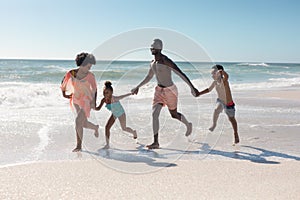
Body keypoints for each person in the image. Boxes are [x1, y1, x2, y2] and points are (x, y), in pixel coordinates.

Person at [131, 39, 199, 149]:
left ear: (158, 49)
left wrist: (192, 87)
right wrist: (137, 87)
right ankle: (156, 142)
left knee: (174, 114)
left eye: (153, 48)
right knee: (154, 114)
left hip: (170, 90)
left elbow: (180, 73)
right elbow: (149, 77)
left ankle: (188, 124)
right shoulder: (152, 63)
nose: (151, 49)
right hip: (159, 90)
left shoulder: (166, 61)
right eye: (151, 48)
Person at [61, 52, 99, 152]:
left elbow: (95, 90)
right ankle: (95, 127)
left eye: (90, 67)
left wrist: (93, 103)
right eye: (88, 66)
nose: (89, 69)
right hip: (76, 99)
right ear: (82, 64)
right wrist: (64, 94)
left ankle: (79, 146)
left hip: (87, 100)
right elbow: (63, 82)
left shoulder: (91, 76)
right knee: (83, 123)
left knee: (78, 121)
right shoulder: (72, 73)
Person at [197, 64, 240, 144]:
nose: (212, 75)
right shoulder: (215, 82)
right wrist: (199, 93)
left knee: (232, 119)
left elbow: (227, 76)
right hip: (220, 101)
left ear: (219, 73)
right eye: (211, 73)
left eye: (214, 73)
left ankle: (236, 134)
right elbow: (208, 90)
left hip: (228, 104)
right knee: (216, 110)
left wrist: (222, 72)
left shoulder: (224, 81)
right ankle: (214, 124)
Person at [96, 81, 137, 149]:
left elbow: (123, 96)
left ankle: (133, 132)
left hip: (121, 113)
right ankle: (107, 144)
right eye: (104, 92)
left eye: (107, 92)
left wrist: (131, 93)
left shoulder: (114, 98)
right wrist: (91, 106)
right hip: (114, 114)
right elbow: (98, 108)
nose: (105, 94)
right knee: (107, 127)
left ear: (111, 92)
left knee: (124, 128)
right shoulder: (103, 100)